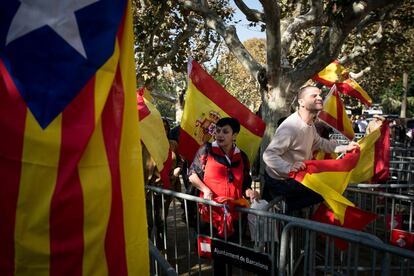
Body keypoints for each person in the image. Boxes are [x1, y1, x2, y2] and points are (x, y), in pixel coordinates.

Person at [262, 86, 359, 212]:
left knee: (326, 189)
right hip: (280, 181)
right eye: (314, 96)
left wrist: (344, 148)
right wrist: (288, 168)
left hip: (293, 177)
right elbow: (268, 155)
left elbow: (320, 143)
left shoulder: (310, 124)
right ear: (301, 102)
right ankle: (284, 207)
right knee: (325, 190)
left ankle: (287, 208)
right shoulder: (290, 127)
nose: (319, 98)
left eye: (319, 95)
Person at [188, 117, 259, 274]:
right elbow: (192, 174)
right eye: (218, 131)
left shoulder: (242, 157)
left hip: (234, 215)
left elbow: (245, 184)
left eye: (225, 131)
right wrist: (205, 189)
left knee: (231, 254)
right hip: (211, 214)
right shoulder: (206, 150)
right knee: (217, 256)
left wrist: (250, 192)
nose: (220, 135)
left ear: (235, 135)